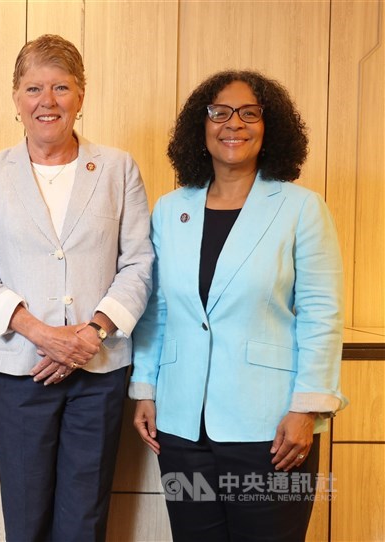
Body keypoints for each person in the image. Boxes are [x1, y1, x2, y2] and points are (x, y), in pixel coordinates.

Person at [130, 70, 347, 541]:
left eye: (250, 113)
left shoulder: (301, 208)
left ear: (270, 128)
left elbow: (321, 313)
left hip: (272, 428)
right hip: (183, 426)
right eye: (220, 112)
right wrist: (145, 388)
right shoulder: (171, 209)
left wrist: (306, 407)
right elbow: (157, 309)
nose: (234, 124)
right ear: (200, 126)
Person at [0, 34, 154, 541]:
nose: (47, 101)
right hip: (21, 368)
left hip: (99, 368)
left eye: (61, 87)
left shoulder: (118, 169)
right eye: (33, 88)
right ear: (16, 99)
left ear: (81, 96)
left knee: (84, 517)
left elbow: (138, 264)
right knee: (25, 517)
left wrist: (90, 334)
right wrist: (42, 334)